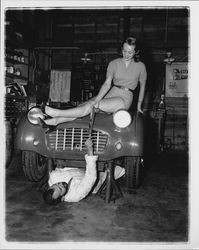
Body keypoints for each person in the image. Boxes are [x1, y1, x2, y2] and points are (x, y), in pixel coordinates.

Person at [43, 36, 147, 126]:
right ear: (121, 49)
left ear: (136, 52)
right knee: (84, 106)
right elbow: (107, 84)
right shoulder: (114, 63)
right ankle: (56, 121)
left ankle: (58, 113)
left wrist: (139, 105)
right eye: (124, 51)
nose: (126, 54)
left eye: (130, 52)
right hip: (112, 92)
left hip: (125, 98)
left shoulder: (141, 66)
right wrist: (98, 99)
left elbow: (142, 86)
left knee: (91, 105)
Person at [43, 138, 125, 205]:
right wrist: (89, 150)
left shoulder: (54, 177)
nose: (61, 184)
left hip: (80, 166)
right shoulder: (75, 196)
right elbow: (91, 177)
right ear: (63, 198)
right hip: (98, 178)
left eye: (56, 184)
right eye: (61, 189)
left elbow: (63, 163)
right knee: (121, 166)